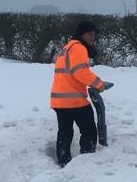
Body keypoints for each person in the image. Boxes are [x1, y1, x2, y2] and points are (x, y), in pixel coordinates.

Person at [50, 21, 114, 168]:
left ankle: (63, 161)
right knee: (89, 130)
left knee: (64, 132)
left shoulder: (67, 47)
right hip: (74, 100)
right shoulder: (78, 48)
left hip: (59, 100)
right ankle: (86, 161)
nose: (93, 36)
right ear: (81, 34)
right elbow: (80, 72)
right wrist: (99, 84)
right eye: (89, 33)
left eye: (94, 34)